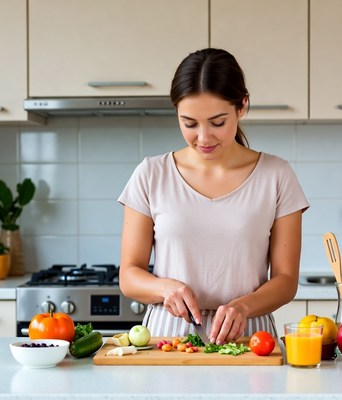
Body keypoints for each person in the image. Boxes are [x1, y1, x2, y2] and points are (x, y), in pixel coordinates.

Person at [118, 48, 309, 345]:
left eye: (218, 123)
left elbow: (285, 281)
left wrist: (242, 307)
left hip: (249, 336)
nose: (204, 138)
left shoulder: (277, 175)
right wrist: (166, 288)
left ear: (242, 106)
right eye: (189, 123)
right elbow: (129, 274)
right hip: (169, 339)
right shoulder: (150, 174)